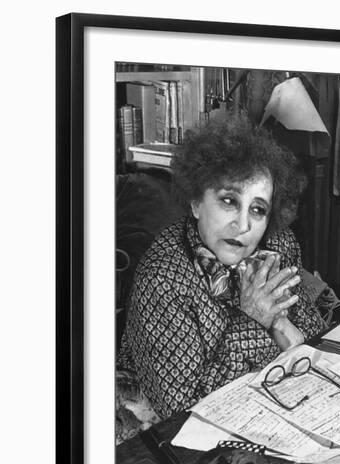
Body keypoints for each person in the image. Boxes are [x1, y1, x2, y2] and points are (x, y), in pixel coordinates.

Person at [117, 114, 325, 422]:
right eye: (229, 201)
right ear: (196, 203)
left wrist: (280, 324)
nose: (243, 225)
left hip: (268, 402)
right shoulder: (162, 278)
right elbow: (180, 410)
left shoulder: (277, 247)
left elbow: (312, 336)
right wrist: (255, 320)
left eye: (258, 209)